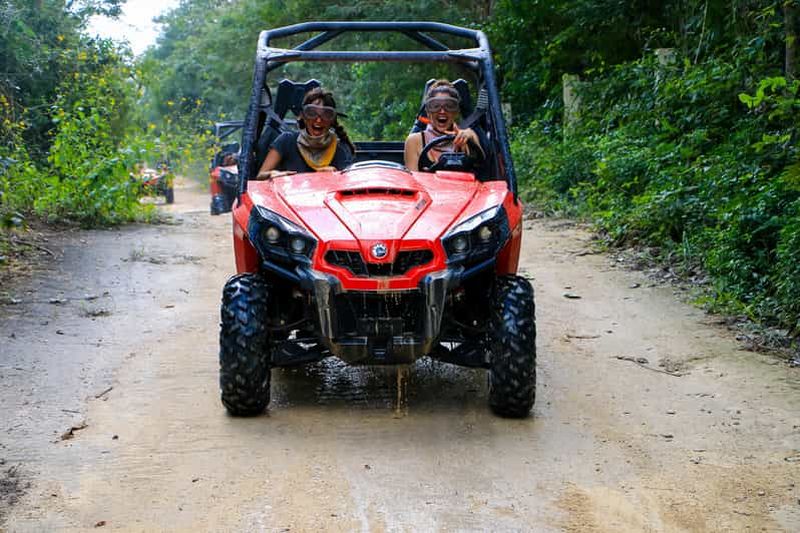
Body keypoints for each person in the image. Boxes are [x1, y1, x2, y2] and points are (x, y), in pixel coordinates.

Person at [256, 88, 355, 179]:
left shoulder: (341, 147)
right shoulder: (286, 141)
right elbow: (260, 176)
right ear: (303, 116)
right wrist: (272, 174)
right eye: (312, 113)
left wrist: (335, 175)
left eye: (326, 114)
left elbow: (348, 183)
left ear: (332, 120)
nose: (318, 120)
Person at [403, 79, 482, 172]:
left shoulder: (467, 137)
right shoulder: (414, 141)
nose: (442, 111)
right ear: (428, 112)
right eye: (435, 106)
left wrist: (471, 137)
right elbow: (412, 183)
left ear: (456, 112)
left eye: (449, 106)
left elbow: (483, 170)